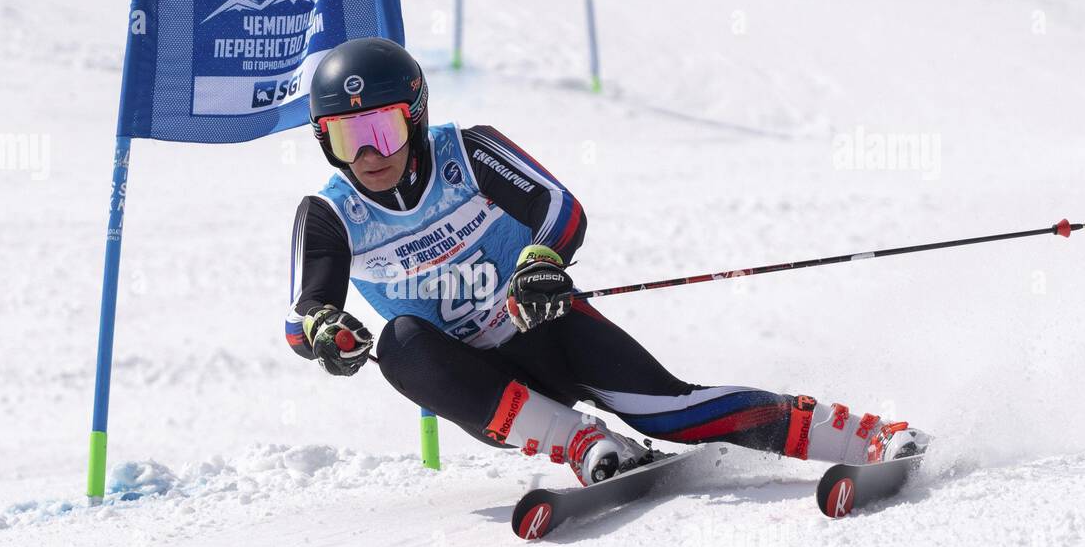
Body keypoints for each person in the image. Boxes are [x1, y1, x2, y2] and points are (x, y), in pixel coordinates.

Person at [285, 37, 922, 485]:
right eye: (348, 137)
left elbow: (561, 209)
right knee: (398, 343)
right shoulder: (331, 213)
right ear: (326, 142)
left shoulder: (466, 153)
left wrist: (540, 261)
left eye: (383, 130)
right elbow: (303, 313)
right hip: (477, 386)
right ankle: (582, 441)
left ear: (415, 118)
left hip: (547, 331)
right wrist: (325, 333)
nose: (369, 154)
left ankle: (862, 436)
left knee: (674, 412)